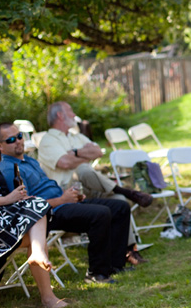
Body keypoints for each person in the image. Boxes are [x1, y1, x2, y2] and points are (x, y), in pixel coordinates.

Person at [0, 122, 132, 284]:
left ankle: (115, 265)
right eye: (11, 140)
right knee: (100, 214)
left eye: (19, 136)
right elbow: (26, 206)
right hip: (48, 214)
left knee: (120, 207)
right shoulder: (9, 170)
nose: (18, 141)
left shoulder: (28, 160)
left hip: (64, 202)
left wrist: (71, 196)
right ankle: (97, 273)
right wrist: (62, 199)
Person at [36, 101, 150, 265]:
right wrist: (84, 156)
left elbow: (97, 152)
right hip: (67, 193)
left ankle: (128, 249)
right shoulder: (48, 140)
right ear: (60, 115)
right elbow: (65, 163)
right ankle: (128, 191)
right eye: (71, 111)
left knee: (119, 200)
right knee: (83, 169)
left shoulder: (76, 136)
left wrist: (75, 152)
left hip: (91, 187)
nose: (74, 115)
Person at [0, 121, 68, 307]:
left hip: (0, 222)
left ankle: (46, 292)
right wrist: (8, 200)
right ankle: (46, 292)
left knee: (35, 205)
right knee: (36, 210)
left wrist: (17, 198)